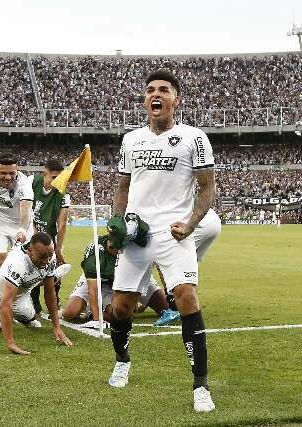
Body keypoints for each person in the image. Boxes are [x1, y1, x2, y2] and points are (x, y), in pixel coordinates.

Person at [107, 70, 216, 412]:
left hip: (173, 234)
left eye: (164, 90)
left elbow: (206, 187)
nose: (157, 95)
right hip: (137, 235)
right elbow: (122, 189)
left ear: (175, 100)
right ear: (145, 100)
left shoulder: (193, 138)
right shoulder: (130, 140)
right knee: (121, 308)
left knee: (186, 297)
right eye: (151, 90)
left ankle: (201, 386)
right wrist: (115, 229)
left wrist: (190, 224)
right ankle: (122, 360)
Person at [0, 232, 73, 354]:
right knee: (1, 307)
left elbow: (49, 292)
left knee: (28, 316)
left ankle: (52, 276)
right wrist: (11, 343)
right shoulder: (17, 263)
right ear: (29, 251)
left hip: (23, 292)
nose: (47, 261)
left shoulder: (49, 257)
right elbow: (5, 304)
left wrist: (56, 327)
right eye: (42, 257)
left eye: (50, 255)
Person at [62, 233, 169, 327]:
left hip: (133, 278)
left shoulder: (136, 247)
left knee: (165, 307)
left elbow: (157, 267)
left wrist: (135, 300)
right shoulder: (95, 254)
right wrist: (97, 319)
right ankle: (91, 311)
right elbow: (93, 289)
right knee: (71, 312)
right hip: (101, 281)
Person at [154, 208, 221, 326]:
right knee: (189, 266)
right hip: (212, 221)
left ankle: (173, 309)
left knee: (164, 261)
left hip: (197, 225)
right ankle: (190, 305)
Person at [29, 159, 71, 315]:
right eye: (54, 177)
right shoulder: (32, 182)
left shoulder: (64, 194)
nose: (58, 181)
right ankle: (34, 303)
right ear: (44, 174)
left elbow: (62, 224)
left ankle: (55, 299)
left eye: (60, 178)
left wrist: (58, 250)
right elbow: (25, 207)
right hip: (31, 232)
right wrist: (31, 235)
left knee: (55, 269)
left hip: (51, 236)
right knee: (32, 267)